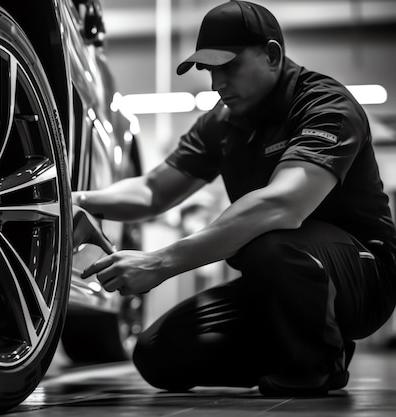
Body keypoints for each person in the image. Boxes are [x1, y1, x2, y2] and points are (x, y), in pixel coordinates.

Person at [74, 0, 396, 397]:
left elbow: (281, 204)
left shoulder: (324, 105)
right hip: (280, 278)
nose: (216, 84)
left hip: (364, 277)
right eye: (210, 71)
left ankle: (319, 363)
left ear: (273, 55)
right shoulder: (222, 122)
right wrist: (75, 200)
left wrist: (160, 262)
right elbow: (153, 190)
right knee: (158, 355)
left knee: (268, 238)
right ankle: (297, 344)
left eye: (229, 67)